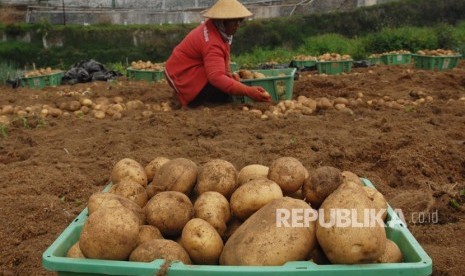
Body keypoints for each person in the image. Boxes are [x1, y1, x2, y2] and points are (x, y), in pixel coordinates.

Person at [164, 0, 271, 108]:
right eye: (234, 22)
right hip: (180, 74)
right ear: (223, 21)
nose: (237, 25)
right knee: (222, 93)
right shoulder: (212, 42)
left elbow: (222, 63)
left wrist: (229, 77)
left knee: (228, 86)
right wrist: (248, 91)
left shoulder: (216, 29)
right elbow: (216, 77)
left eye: (239, 21)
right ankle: (189, 98)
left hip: (180, 69)